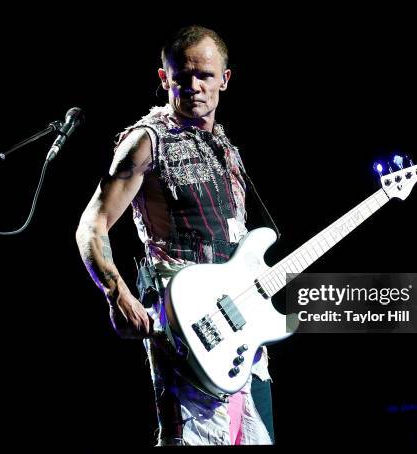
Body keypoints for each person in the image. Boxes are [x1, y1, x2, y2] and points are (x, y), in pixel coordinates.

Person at [75, 26, 275, 446]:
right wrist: (117, 293)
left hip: (242, 331)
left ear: (225, 78)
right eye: (181, 77)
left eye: (204, 75)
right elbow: (91, 225)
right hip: (186, 330)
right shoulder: (147, 141)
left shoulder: (225, 146)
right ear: (164, 78)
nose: (194, 86)